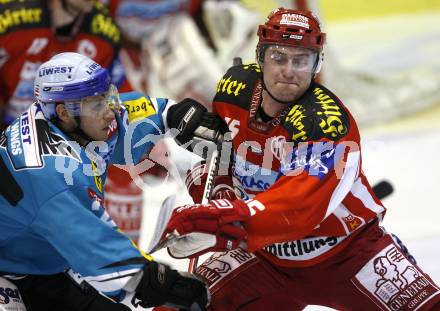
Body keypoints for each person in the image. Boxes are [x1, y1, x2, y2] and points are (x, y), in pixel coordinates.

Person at [157, 8, 440, 310]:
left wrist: (221, 220)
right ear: (260, 56)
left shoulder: (325, 122)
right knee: (176, 304)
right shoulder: (234, 90)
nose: (289, 70)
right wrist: (220, 192)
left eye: (301, 60)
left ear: (316, 65)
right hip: (263, 255)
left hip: (348, 254)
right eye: (279, 57)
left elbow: (299, 207)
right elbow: (223, 154)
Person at [0, 52, 214, 310]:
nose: (111, 109)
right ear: (64, 113)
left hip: (36, 256)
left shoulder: (66, 120)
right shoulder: (52, 174)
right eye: (97, 103)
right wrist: (163, 283)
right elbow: (101, 256)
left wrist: (172, 114)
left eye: (107, 95)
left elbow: (128, 113)